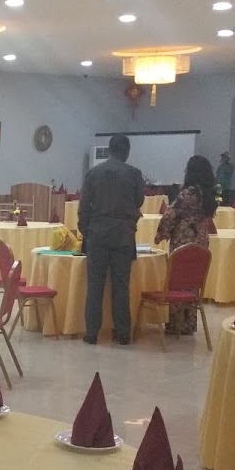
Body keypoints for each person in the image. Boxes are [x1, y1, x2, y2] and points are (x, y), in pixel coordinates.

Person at [78, 134, 145, 345]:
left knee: (95, 286)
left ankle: (91, 333)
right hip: (123, 235)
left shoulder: (93, 173)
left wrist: (87, 231)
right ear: (127, 151)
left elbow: (83, 207)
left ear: (109, 150)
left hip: (97, 234)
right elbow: (139, 201)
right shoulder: (134, 174)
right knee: (121, 286)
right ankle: (123, 333)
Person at [155, 155, 217, 335]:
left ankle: (176, 323)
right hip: (201, 239)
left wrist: (161, 234)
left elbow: (171, 214)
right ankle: (188, 323)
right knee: (192, 282)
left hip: (183, 238)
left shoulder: (187, 194)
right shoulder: (209, 195)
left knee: (178, 280)